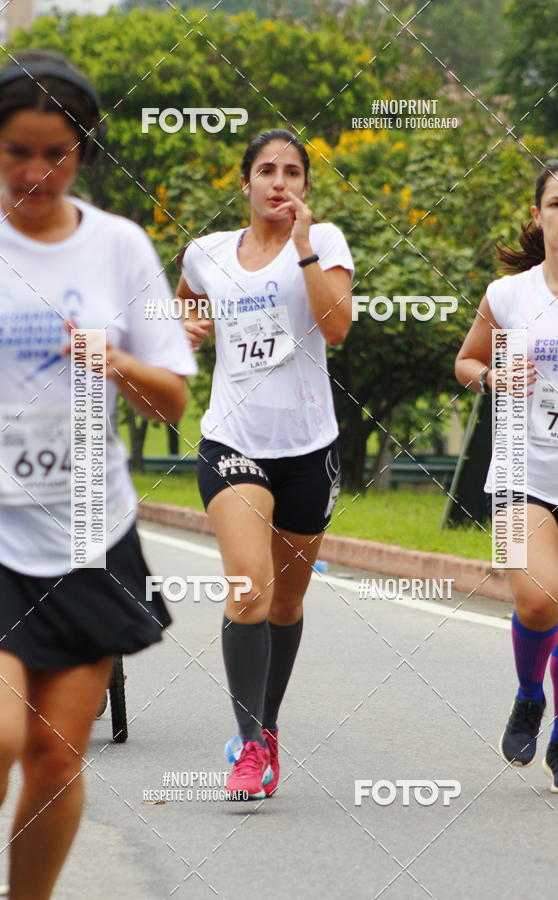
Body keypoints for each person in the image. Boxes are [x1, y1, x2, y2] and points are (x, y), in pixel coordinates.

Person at [0, 50, 196, 897]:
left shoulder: (119, 247)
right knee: (2, 736)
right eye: (17, 152)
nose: (36, 173)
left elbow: (172, 400)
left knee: (53, 756)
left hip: (88, 529)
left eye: (57, 154)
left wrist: (114, 359)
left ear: (83, 151)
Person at [177, 128, 354, 800]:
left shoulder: (324, 241)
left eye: (293, 172)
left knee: (285, 601)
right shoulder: (208, 253)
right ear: (245, 181)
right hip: (233, 441)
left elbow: (336, 327)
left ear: (305, 185)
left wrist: (303, 248)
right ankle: (249, 744)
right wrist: (186, 329)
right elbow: (185, 301)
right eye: (267, 171)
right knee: (249, 590)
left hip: (309, 449)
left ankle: (268, 723)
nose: (280, 182)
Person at [456, 159, 558, 793]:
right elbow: (465, 361)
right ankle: (527, 695)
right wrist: (492, 377)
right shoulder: (509, 295)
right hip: (522, 471)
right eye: (557, 203)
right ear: (538, 217)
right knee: (540, 598)